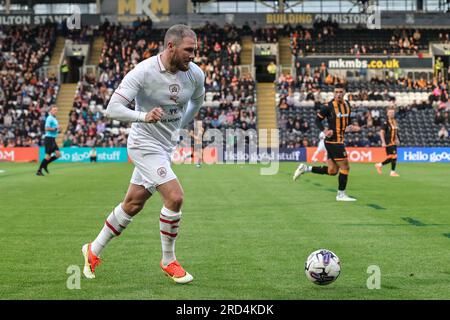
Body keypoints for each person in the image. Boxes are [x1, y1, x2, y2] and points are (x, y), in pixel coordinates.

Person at [81, 25, 205, 284]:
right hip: (143, 144)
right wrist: (143, 116)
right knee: (175, 197)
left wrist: (182, 124)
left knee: (133, 204)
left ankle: (93, 249)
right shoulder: (144, 71)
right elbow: (112, 109)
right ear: (171, 46)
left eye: (195, 50)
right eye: (189, 50)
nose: (193, 55)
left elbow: (196, 101)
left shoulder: (194, 74)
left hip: (165, 146)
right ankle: (169, 260)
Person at [293, 84, 357, 201]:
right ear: (333, 93)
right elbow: (317, 120)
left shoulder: (347, 105)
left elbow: (348, 121)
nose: (338, 94)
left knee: (332, 171)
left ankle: (305, 168)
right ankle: (341, 194)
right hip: (333, 142)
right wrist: (324, 130)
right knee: (345, 167)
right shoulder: (328, 106)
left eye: (340, 92)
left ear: (344, 93)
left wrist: (351, 126)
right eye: (336, 92)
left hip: (338, 141)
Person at [375, 107, 400, 177]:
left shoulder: (395, 121)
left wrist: (397, 139)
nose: (392, 114)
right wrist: (383, 142)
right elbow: (381, 132)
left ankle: (379, 165)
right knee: (394, 156)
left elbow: (395, 132)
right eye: (390, 113)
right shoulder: (385, 122)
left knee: (392, 157)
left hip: (394, 141)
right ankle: (392, 172)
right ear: (387, 114)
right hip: (388, 141)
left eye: (393, 113)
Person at [36, 106, 61, 176]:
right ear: (51, 111)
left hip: (52, 139)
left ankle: (44, 165)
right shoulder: (49, 118)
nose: (56, 111)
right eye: (54, 110)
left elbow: (55, 129)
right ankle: (39, 170)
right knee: (47, 156)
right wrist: (56, 128)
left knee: (58, 155)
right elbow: (46, 128)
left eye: (56, 110)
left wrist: (58, 130)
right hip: (49, 139)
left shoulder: (54, 118)